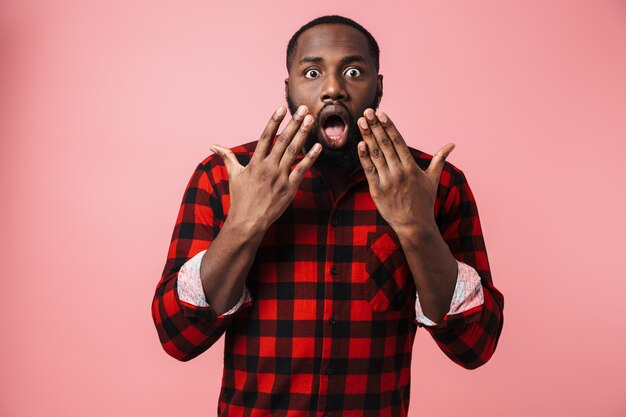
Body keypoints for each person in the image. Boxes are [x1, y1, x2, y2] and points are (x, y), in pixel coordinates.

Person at [151, 15, 504, 417]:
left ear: (379, 86)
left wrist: (417, 227)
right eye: (313, 72)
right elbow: (179, 337)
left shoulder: (432, 185)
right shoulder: (224, 178)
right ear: (289, 88)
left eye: (353, 71)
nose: (333, 88)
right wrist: (245, 223)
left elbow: (476, 346)